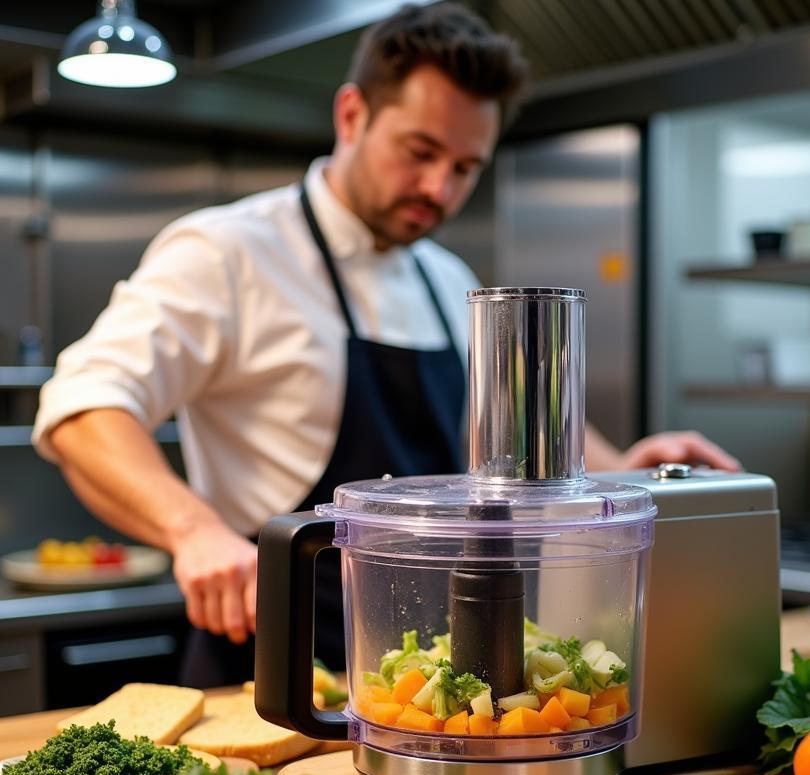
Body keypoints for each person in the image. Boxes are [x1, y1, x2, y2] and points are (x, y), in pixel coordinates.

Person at [32, 2, 739, 686]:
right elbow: (83, 406)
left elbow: (498, 431)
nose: (438, 187)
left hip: (429, 679)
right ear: (351, 115)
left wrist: (625, 471)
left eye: (465, 168)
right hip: (274, 674)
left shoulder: (444, 276)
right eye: (421, 151)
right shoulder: (227, 252)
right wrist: (193, 530)